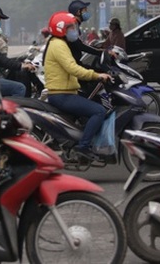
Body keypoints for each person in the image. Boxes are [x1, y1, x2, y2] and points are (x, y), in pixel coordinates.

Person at [44, 11, 112, 161]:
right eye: (71, 28)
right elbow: (73, 68)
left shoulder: (59, 43)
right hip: (62, 95)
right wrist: (96, 75)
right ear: (61, 29)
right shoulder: (59, 45)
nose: (74, 30)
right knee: (99, 111)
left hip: (67, 92)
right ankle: (83, 148)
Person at [67, 0, 102, 66]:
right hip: (73, 64)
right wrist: (100, 52)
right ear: (78, 12)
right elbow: (80, 45)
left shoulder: (76, 24)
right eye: (85, 10)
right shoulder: (73, 25)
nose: (87, 12)